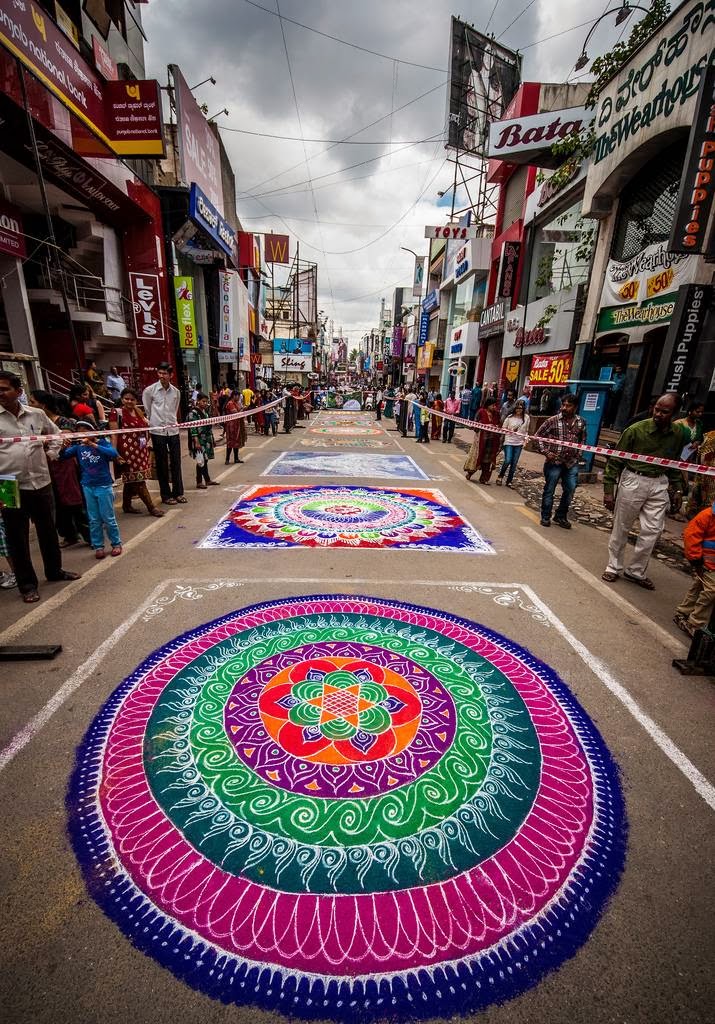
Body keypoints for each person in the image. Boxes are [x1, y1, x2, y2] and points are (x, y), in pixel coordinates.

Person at [0, 371, 81, 602]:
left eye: (5, 389)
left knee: (48, 530)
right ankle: (27, 585)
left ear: (18, 391)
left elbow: (56, 435)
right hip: (7, 485)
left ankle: (54, 571)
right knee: (17, 536)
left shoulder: (36, 415)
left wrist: (52, 453)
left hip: (41, 480)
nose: (1, 394)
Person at [601, 393, 686, 589]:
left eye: (664, 412)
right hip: (634, 479)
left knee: (653, 529)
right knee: (621, 526)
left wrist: (678, 489)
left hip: (659, 482)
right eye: (657, 409)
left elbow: (674, 463)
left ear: (674, 414)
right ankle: (613, 566)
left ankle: (636, 571)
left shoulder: (678, 434)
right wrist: (608, 489)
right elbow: (616, 460)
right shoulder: (635, 430)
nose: (658, 414)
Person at [61, 422, 122, 558]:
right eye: (81, 432)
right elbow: (62, 456)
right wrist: (63, 446)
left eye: (87, 431)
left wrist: (94, 445)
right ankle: (98, 546)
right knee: (94, 519)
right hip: (88, 485)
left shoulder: (102, 443)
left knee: (108, 518)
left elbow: (113, 453)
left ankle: (116, 544)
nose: (84, 435)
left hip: (104, 485)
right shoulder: (78, 448)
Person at [109, 389, 164, 518]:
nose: (129, 401)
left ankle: (126, 505)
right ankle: (151, 507)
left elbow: (148, 425)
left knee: (131, 479)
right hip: (127, 452)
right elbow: (114, 434)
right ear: (122, 399)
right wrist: (114, 452)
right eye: (126, 398)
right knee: (138, 480)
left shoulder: (138, 411)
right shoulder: (116, 413)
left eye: (132, 399)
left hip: (141, 450)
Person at [535, 393, 586, 528]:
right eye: (563, 405)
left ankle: (560, 516)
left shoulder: (581, 422)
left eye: (568, 406)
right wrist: (546, 452)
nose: (564, 408)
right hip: (554, 462)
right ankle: (545, 516)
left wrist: (578, 455)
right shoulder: (552, 421)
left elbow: (582, 440)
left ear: (575, 407)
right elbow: (538, 436)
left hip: (571, 462)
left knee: (570, 489)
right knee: (549, 489)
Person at [142, 362, 186, 506]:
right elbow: (148, 410)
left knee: (176, 462)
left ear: (171, 375)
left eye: (164, 373)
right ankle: (166, 495)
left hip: (172, 430)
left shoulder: (176, 392)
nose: (162, 376)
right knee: (161, 464)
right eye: (159, 373)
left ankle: (178, 492)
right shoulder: (150, 390)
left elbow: (174, 409)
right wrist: (155, 422)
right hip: (157, 431)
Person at [673, 501, 715, 637]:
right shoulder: (707, 516)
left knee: (700, 587)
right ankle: (696, 623)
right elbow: (691, 537)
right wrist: (696, 561)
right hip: (706, 564)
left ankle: (683, 612)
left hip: (709, 565)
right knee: (711, 591)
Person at [464, 397, 501, 483]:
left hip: (492, 440)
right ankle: (470, 473)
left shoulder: (496, 414)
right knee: (478, 457)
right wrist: (481, 425)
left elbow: (499, 424)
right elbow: (474, 425)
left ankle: (484, 479)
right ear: (488, 405)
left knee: (488, 459)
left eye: (495, 405)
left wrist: (496, 428)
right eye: (492, 405)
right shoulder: (481, 412)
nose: (494, 407)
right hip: (481, 439)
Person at [188, 393, 220, 489]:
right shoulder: (193, 413)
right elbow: (193, 428)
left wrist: (212, 439)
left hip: (207, 439)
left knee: (205, 460)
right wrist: (196, 441)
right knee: (200, 460)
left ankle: (207, 480)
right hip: (199, 439)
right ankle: (199, 481)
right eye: (203, 401)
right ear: (198, 400)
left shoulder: (205, 412)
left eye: (206, 401)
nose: (205, 403)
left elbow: (209, 427)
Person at [497, 400, 530, 487]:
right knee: (508, 460)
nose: (519, 410)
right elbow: (503, 429)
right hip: (509, 441)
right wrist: (511, 431)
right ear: (514, 408)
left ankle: (509, 481)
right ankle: (500, 476)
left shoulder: (526, 418)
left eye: (521, 408)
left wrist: (526, 439)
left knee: (514, 463)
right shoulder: (509, 417)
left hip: (519, 443)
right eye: (517, 408)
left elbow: (526, 430)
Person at [224, 390, 246, 463]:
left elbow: (240, 410)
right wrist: (242, 409)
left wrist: (243, 409)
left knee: (236, 441)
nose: (239, 397)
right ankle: (227, 459)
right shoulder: (230, 403)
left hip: (237, 425)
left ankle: (236, 458)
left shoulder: (237, 403)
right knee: (230, 442)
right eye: (238, 396)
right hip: (231, 426)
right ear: (234, 396)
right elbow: (236, 413)